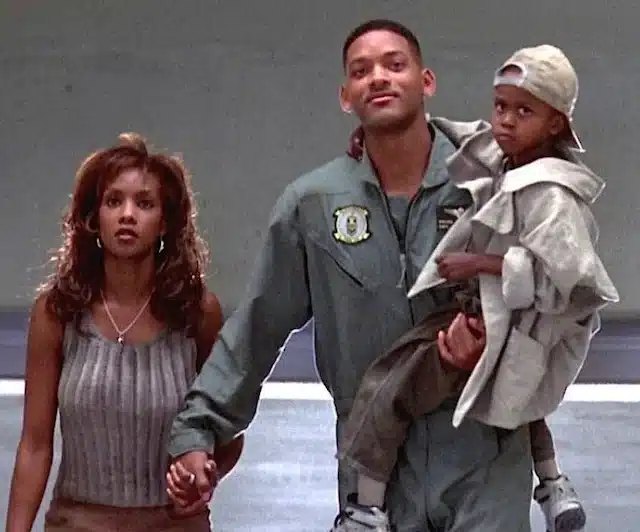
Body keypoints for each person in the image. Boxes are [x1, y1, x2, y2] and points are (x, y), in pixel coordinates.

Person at [165, 19, 535, 531]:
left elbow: (557, 295)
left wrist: (495, 344)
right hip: (374, 465)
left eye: (395, 65)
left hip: (484, 454)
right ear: (346, 97)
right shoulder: (313, 206)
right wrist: (199, 430)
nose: (378, 77)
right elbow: (257, 329)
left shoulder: (494, 186)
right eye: (361, 71)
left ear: (426, 81)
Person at [334, 44, 619, 532]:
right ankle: (553, 483)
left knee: (390, 386)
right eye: (500, 106)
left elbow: (570, 283)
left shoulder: (551, 196)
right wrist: (379, 135)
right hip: (500, 317)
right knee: (519, 403)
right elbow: (460, 134)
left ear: (555, 123)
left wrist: (481, 264)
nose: (504, 121)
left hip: (509, 321)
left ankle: (366, 507)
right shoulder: (508, 158)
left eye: (523, 111)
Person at [5, 133, 243, 532]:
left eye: (144, 203)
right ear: (94, 218)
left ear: (165, 222)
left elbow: (228, 431)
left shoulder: (197, 313)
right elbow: (34, 446)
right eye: (114, 201)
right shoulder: (57, 313)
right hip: (77, 522)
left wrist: (204, 476)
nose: (127, 215)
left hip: (174, 524)